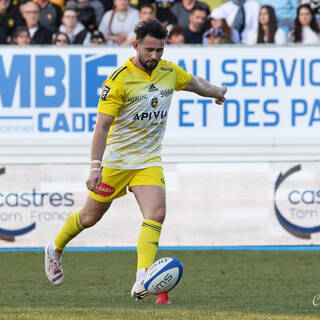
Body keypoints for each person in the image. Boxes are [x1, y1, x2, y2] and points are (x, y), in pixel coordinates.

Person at [44, 19, 227, 302]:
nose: (155, 56)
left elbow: (193, 83)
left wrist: (216, 91)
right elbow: (101, 128)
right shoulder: (118, 80)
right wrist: (95, 168)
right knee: (89, 217)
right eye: (150, 50)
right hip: (117, 162)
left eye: (160, 51)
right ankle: (54, 248)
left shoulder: (168, 71)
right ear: (136, 46)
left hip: (148, 160)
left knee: (157, 213)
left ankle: (142, 278)